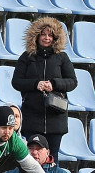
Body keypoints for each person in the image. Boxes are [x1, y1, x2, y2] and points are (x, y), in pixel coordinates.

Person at [11, 17, 77, 157]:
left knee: (52, 160)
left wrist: (54, 84)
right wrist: (36, 84)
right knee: (32, 160)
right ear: (36, 36)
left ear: (55, 38)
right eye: (43, 34)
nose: (46, 38)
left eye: (50, 35)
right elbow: (16, 82)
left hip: (56, 118)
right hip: (32, 117)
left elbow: (72, 82)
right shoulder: (26, 56)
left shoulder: (62, 57)